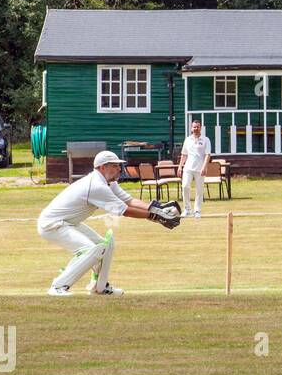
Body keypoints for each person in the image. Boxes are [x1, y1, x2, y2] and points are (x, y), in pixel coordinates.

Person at [37, 151, 180, 296]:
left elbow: (129, 201)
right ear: (102, 167)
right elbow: (125, 210)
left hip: (68, 222)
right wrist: (156, 217)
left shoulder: (109, 182)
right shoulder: (96, 186)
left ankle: (99, 287)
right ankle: (58, 286)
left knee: (106, 244)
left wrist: (157, 209)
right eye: (115, 166)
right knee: (90, 250)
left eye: (119, 165)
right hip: (52, 225)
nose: (119, 169)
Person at [178, 119, 212, 219]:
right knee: (185, 186)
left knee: (199, 190)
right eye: (194, 127)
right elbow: (184, 154)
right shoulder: (188, 140)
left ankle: (197, 210)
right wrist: (180, 166)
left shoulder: (206, 140)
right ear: (191, 128)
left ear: (200, 128)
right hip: (188, 168)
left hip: (200, 169)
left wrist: (204, 167)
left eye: (197, 127)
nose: (196, 129)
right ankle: (187, 210)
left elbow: (207, 155)